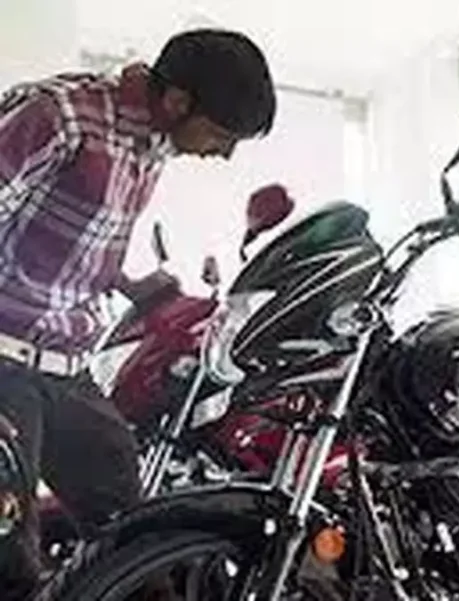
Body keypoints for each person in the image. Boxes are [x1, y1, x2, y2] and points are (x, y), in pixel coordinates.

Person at [0, 29, 276, 599]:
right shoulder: (58, 115)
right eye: (222, 135)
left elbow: (61, 235)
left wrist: (129, 283)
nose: (222, 153)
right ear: (177, 100)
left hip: (67, 364)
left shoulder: (153, 143)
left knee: (140, 535)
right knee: (9, 564)